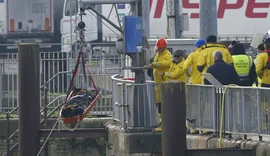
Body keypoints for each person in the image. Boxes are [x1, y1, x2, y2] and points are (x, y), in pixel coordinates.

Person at [145, 38, 172, 126]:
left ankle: (165, 120)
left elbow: (166, 64)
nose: (159, 49)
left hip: (163, 82)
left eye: (160, 48)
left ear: (164, 47)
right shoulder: (158, 54)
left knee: (163, 103)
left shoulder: (167, 55)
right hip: (158, 83)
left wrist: (153, 65)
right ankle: (161, 120)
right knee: (158, 103)